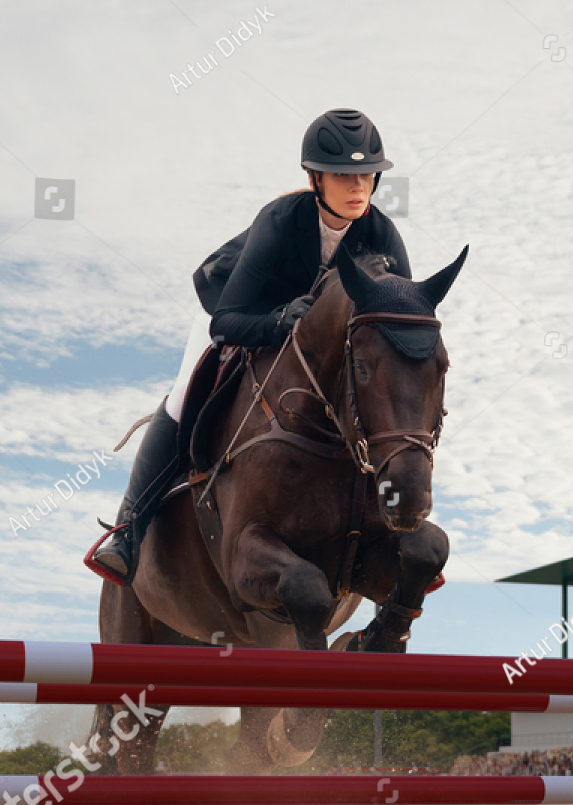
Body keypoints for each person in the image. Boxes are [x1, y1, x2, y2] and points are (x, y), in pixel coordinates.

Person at [92, 108, 412, 584]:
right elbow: (227, 321)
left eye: (366, 174)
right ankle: (128, 529)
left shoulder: (382, 235)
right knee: (183, 395)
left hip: (314, 343)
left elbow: (395, 327)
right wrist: (280, 321)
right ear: (314, 178)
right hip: (239, 312)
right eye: (343, 175)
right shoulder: (281, 220)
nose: (357, 187)